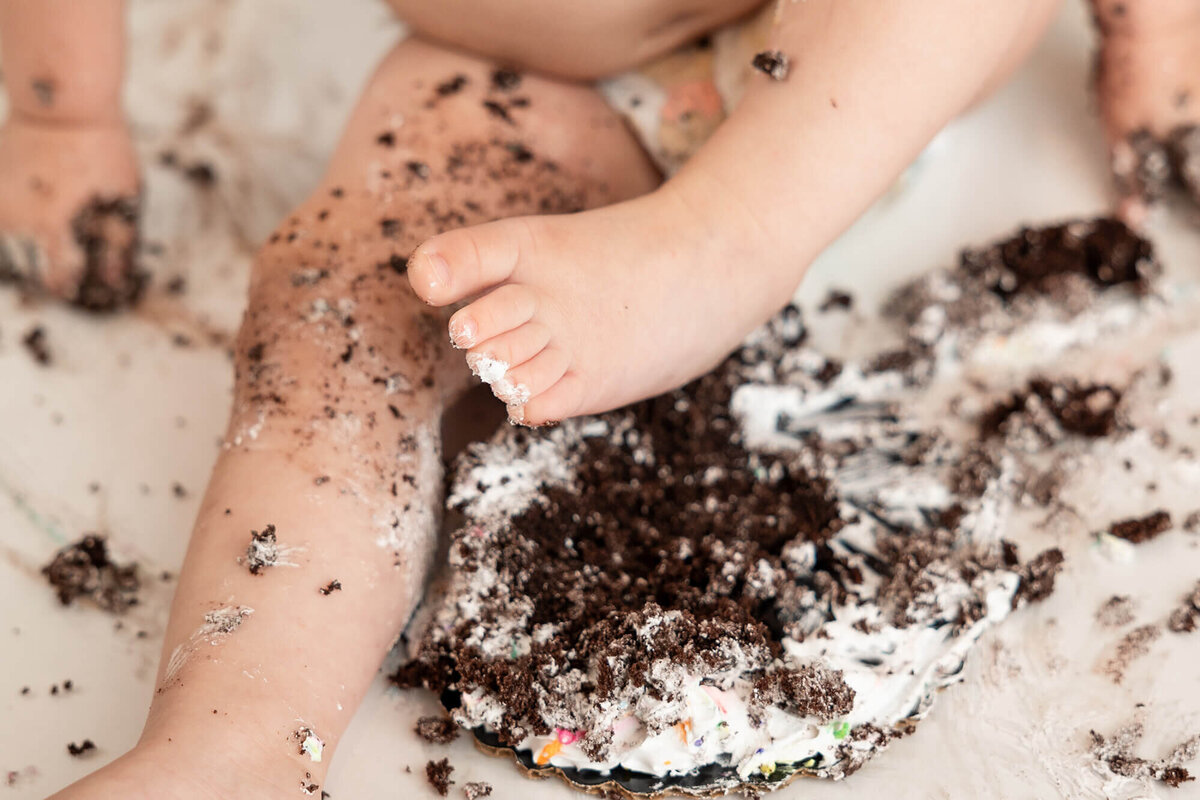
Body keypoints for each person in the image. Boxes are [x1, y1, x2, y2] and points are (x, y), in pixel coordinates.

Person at [0, 0, 1188, 796]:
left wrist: (1158, 39)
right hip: (527, 74)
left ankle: (717, 244)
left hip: (862, 54)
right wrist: (64, 110)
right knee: (343, 311)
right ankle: (234, 732)